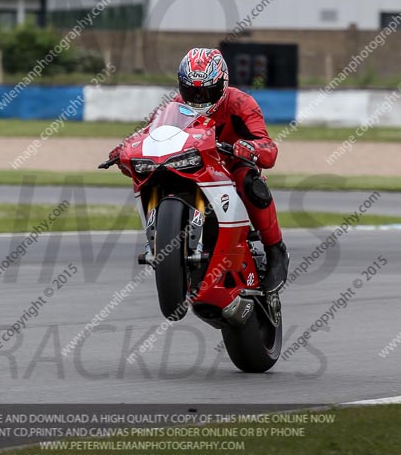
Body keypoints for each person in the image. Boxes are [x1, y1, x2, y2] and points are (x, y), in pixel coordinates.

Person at [109, 47, 289, 293]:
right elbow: (147, 133)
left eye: (206, 90)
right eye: (191, 90)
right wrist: (123, 149)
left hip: (228, 162)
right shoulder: (172, 105)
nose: (198, 97)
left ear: (222, 84)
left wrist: (248, 148)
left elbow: (268, 148)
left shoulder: (241, 103)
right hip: (190, 163)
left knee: (250, 181)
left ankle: (275, 250)